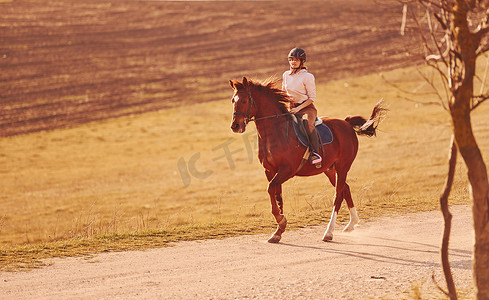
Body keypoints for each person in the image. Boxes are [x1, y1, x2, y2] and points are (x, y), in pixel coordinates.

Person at [282, 47, 322, 167]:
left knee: (307, 124)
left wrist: (298, 109)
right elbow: (283, 93)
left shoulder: (308, 77)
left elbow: (311, 98)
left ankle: (315, 153)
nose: (293, 62)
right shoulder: (285, 75)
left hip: (306, 108)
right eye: (291, 59)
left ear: (302, 61)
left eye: (296, 60)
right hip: (291, 107)